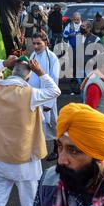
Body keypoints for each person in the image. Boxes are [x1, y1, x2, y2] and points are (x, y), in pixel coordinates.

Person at [0, 56, 61, 206]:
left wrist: (3, 63)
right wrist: (41, 72)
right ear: (28, 76)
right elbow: (55, 91)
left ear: (11, 72)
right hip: (23, 161)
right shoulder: (31, 94)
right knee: (31, 205)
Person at [29, 32, 61, 162]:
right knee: (37, 124)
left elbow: (54, 81)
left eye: (39, 43)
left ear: (46, 43)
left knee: (53, 124)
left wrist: (49, 103)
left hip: (47, 100)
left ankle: (57, 149)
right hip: (35, 97)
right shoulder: (33, 55)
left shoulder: (52, 58)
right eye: (34, 43)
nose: (36, 46)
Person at [81, 53, 104, 118]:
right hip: (98, 126)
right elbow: (90, 112)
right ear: (103, 66)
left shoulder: (103, 79)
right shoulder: (95, 85)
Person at [63, 12, 82, 90]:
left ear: (80, 18)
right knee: (73, 63)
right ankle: (74, 79)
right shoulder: (69, 25)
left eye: (78, 19)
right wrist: (69, 35)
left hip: (81, 48)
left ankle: (80, 79)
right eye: (75, 19)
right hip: (72, 48)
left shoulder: (83, 25)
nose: (76, 20)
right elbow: (64, 34)